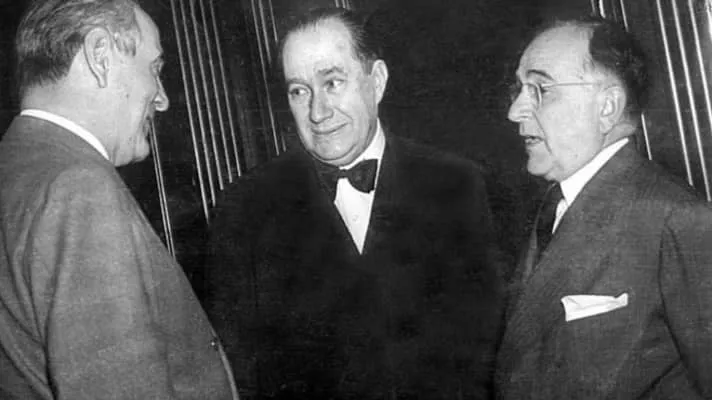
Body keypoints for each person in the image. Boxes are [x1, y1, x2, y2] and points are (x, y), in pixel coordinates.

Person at [205, 7, 503, 400]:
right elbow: (241, 373)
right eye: (299, 91)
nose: (318, 112)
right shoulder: (244, 209)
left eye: (332, 83)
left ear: (376, 81)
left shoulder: (459, 186)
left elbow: (488, 354)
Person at [0, 0, 238, 398]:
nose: (162, 99)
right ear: (100, 56)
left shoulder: (16, 170)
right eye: (155, 69)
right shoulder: (79, 189)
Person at [496, 15, 712, 399]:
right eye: (519, 89)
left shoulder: (679, 220)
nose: (515, 110)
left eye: (540, 89)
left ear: (607, 107)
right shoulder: (552, 207)